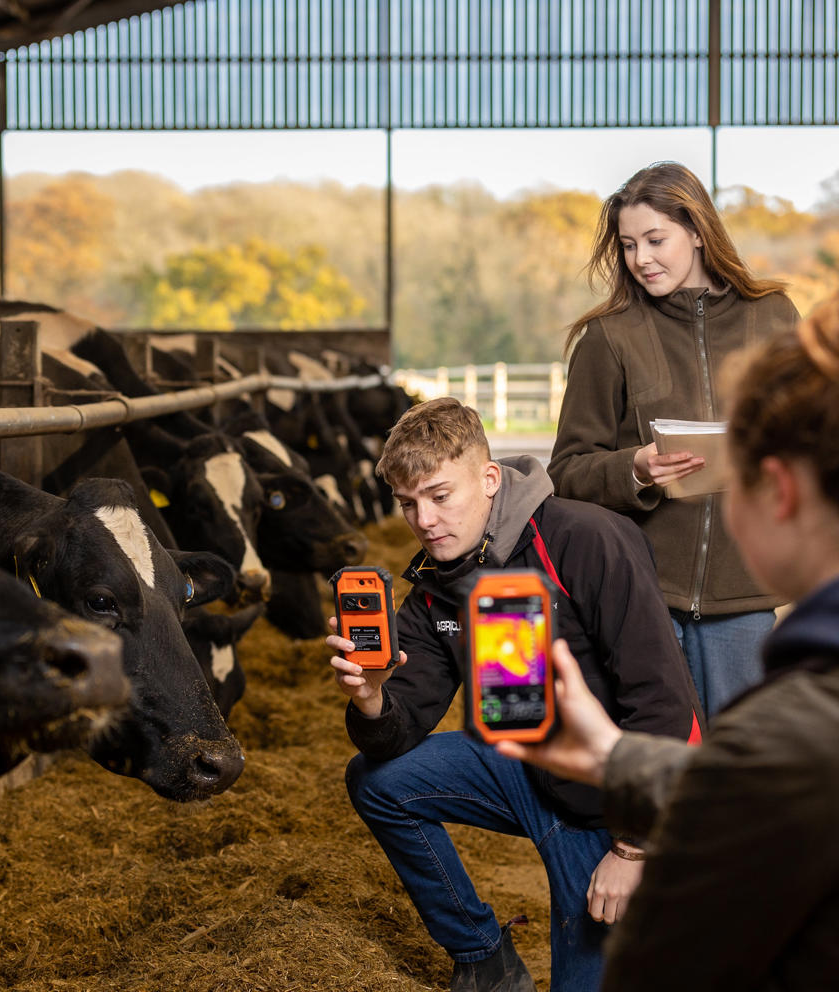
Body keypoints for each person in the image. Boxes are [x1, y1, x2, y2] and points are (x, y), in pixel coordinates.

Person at [498, 294, 839, 991]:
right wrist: (622, 760)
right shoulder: (799, 721)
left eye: (730, 473)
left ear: (775, 492)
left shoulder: (796, 715)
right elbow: (764, 788)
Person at [326, 397, 703, 992]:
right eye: (407, 504)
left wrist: (633, 849)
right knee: (378, 782)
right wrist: (372, 697)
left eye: (440, 495)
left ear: (490, 479)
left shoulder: (587, 539)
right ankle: (482, 954)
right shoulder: (433, 584)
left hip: (604, 800)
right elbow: (397, 732)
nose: (424, 520)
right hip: (522, 767)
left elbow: (666, 706)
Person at [547, 161, 801, 718]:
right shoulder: (609, 338)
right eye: (629, 244)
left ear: (697, 230)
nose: (641, 259)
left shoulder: (775, 317)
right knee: (658, 768)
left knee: (742, 769)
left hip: (745, 596)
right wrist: (635, 469)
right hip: (643, 598)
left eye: (655, 239)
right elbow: (565, 471)